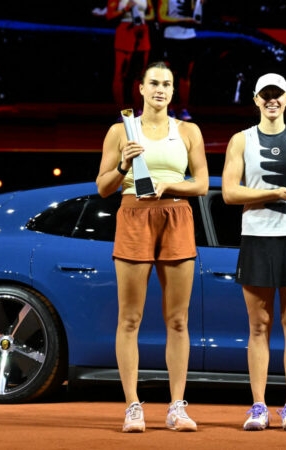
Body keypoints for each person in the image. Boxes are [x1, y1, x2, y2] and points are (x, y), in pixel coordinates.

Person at [96, 61, 209, 433]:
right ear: (141, 89)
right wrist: (124, 165)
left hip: (177, 217)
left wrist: (170, 187)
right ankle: (133, 406)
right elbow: (103, 187)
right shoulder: (120, 131)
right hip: (133, 215)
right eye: (154, 83)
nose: (161, 89)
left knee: (178, 320)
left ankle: (177, 406)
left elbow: (202, 185)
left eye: (167, 84)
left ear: (173, 91)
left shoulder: (189, 131)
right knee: (129, 319)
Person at [221, 73, 286, 432]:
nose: (272, 100)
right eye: (265, 95)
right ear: (255, 99)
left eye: (277, 94)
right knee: (259, 326)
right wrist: (273, 193)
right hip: (257, 238)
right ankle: (259, 406)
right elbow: (231, 193)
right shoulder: (241, 140)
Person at [92, 0, 155, 109]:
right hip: (125, 31)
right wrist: (125, 9)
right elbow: (110, 15)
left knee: (139, 74)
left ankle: (138, 108)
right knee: (121, 73)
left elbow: (152, 14)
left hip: (142, 31)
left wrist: (143, 18)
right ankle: (121, 110)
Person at [156, 0, 205, 121]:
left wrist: (200, 5)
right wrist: (182, 20)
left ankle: (183, 109)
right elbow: (161, 17)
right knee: (169, 76)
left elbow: (197, 18)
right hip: (171, 37)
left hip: (189, 37)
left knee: (185, 75)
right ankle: (169, 109)